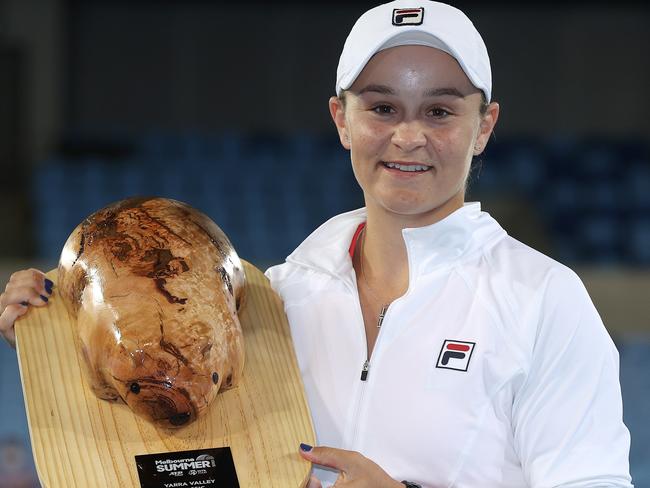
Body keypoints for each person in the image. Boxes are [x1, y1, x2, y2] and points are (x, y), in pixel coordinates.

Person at [0, 1, 633, 487]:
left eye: (440, 111)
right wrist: (56, 338)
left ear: (483, 126)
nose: (408, 137)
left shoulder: (543, 301)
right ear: (341, 119)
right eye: (381, 108)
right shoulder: (278, 297)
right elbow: (188, 462)